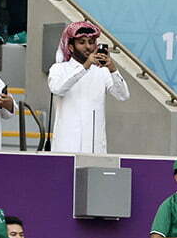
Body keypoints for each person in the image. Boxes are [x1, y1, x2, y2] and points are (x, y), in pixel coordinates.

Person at [47, 21, 128, 154]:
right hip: (66, 146)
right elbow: (57, 89)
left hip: (94, 146)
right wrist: (85, 66)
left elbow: (123, 95)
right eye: (82, 42)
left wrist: (113, 69)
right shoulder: (59, 69)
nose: (88, 47)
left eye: (91, 42)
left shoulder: (102, 71)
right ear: (71, 47)